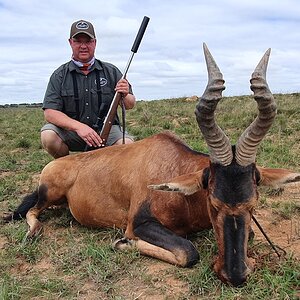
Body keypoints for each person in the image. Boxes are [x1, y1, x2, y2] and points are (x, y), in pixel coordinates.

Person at [41, 20, 136, 158]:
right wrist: (79, 127)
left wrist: (126, 94)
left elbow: (130, 104)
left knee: (127, 144)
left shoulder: (111, 71)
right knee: (48, 136)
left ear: (95, 43)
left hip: (107, 130)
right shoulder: (59, 75)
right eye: (78, 41)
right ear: (70, 43)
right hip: (73, 132)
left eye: (88, 41)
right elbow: (50, 112)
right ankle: (66, 167)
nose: (83, 46)